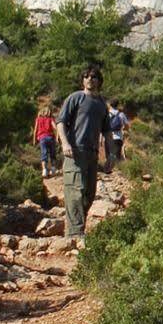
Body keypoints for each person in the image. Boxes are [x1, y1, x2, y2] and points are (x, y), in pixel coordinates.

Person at [57, 63, 114, 237]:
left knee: (89, 193)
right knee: (75, 190)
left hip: (92, 154)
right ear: (82, 80)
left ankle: (77, 228)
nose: (90, 79)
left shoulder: (102, 104)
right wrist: (65, 144)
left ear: (99, 81)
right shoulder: (75, 98)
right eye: (86, 76)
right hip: (74, 152)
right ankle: (75, 233)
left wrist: (111, 154)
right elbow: (61, 122)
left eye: (94, 76)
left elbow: (107, 132)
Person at [33, 98, 57, 178]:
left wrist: (34, 140)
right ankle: (53, 170)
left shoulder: (38, 119)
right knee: (52, 154)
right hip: (50, 138)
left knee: (44, 154)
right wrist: (57, 137)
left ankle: (44, 171)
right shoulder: (50, 119)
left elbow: (35, 130)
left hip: (42, 138)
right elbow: (55, 128)